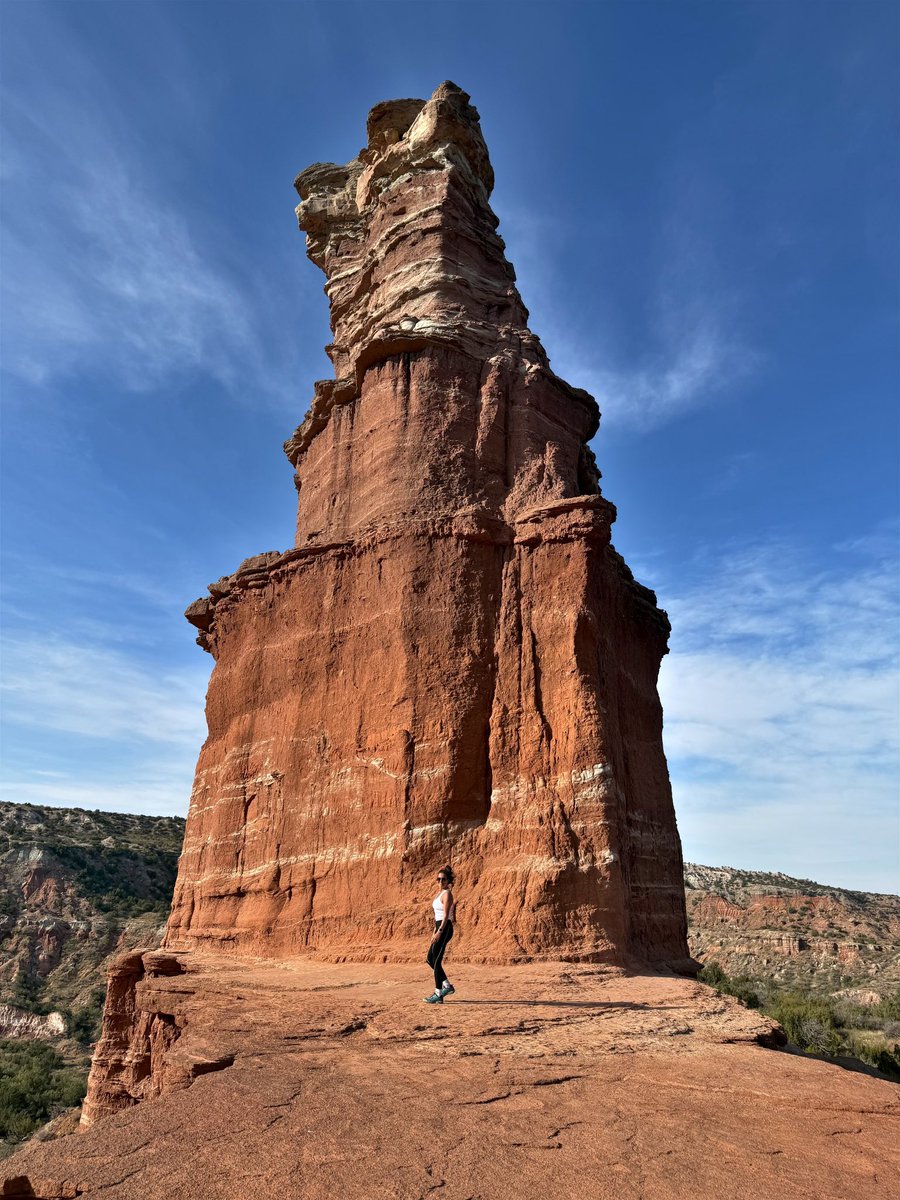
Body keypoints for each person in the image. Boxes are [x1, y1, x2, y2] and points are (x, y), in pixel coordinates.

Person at [423, 865, 456, 1003]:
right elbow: (437, 915)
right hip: (438, 928)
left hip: (445, 928)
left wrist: (440, 931)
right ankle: (447, 986)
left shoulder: (447, 894)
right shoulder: (438, 894)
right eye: (439, 879)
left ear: (448, 881)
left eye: (443, 879)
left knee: (436, 961)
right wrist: (434, 932)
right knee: (430, 959)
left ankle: (438, 993)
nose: (441, 882)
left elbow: (446, 915)